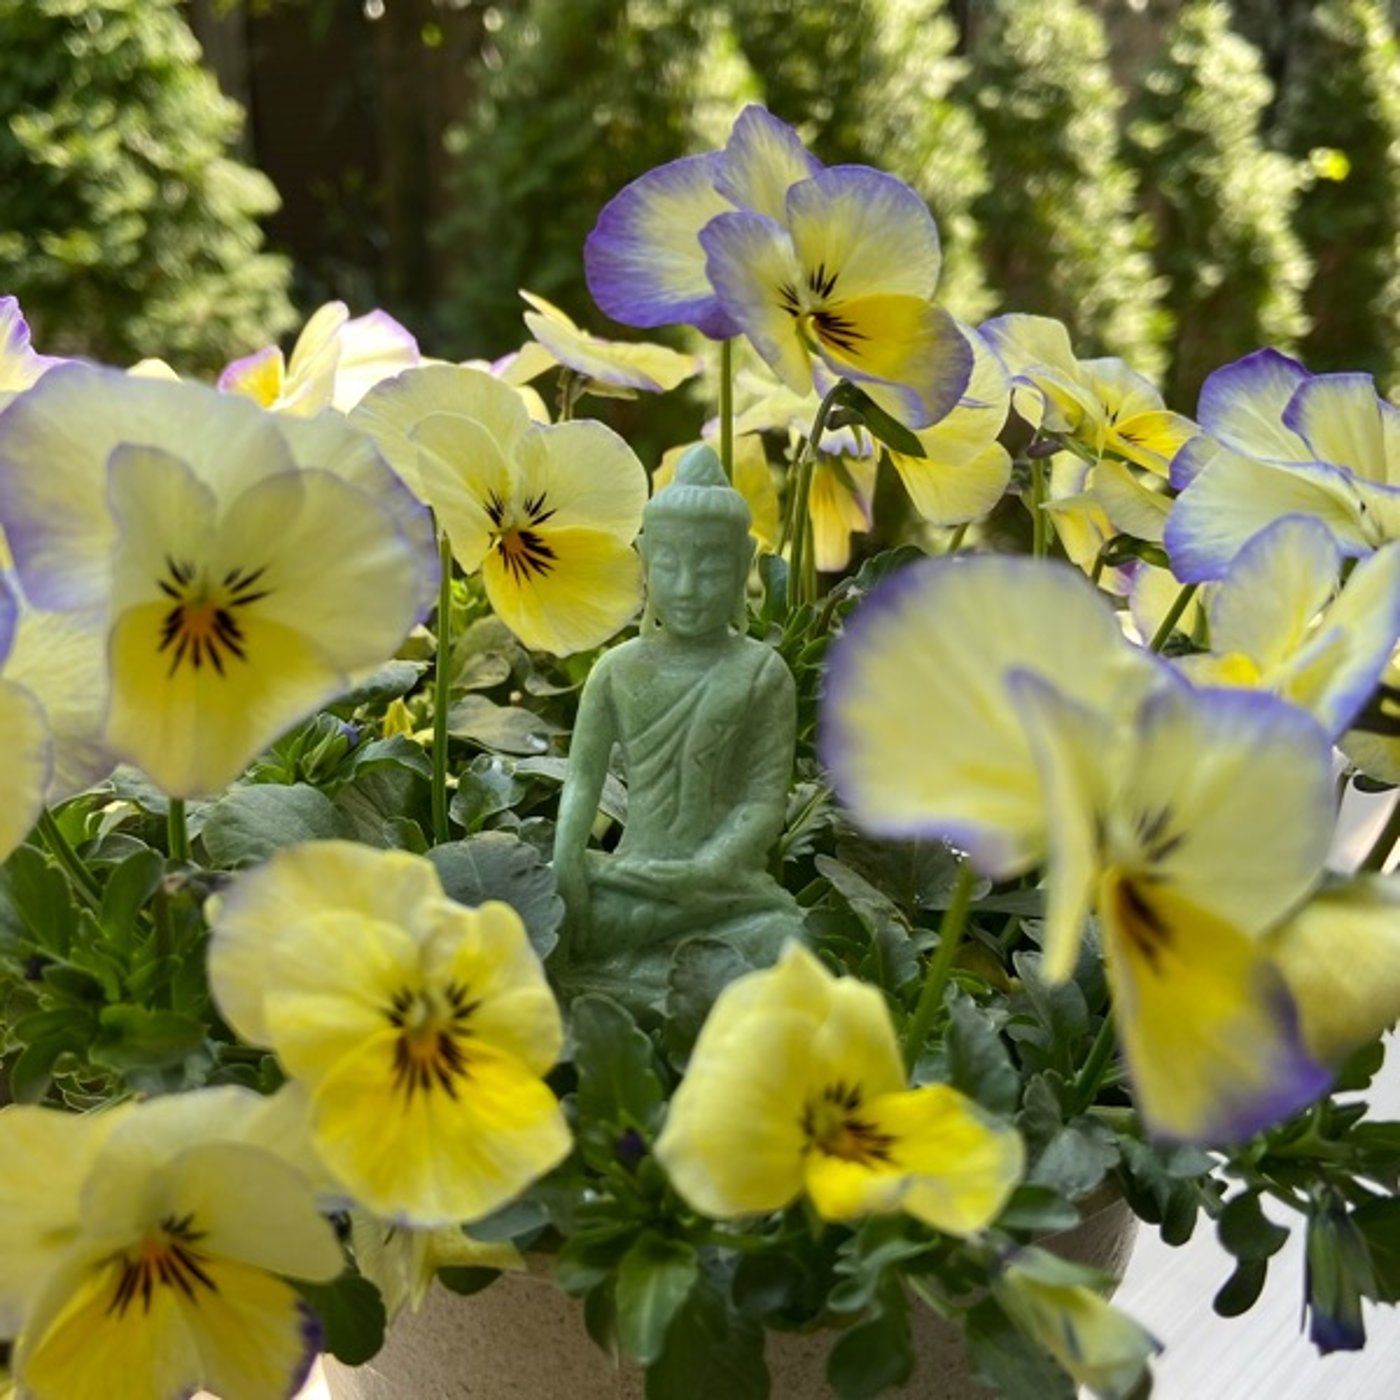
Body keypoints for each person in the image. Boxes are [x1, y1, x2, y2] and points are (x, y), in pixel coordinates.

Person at [552, 444, 806, 1015]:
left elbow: (764, 802)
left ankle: (641, 979)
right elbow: (580, 785)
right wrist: (567, 864)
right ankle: (666, 977)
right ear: (644, 561)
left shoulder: (763, 673)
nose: (689, 586)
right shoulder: (617, 670)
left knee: (789, 939)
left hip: (724, 890)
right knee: (554, 916)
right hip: (631, 879)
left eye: (712, 567)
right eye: (670, 564)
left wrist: (705, 869)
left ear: (744, 565)